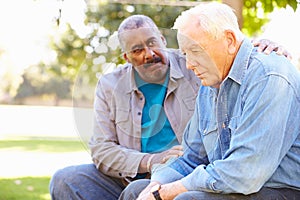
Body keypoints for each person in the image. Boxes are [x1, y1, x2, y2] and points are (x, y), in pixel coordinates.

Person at [49, 14, 292, 200]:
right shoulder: (110, 85)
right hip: (135, 172)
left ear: (163, 41)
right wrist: (152, 161)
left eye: (153, 43)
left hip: (186, 173)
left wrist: (259, 47)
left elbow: (225, 54)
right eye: (137, 50)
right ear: (126, 57)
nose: (149, 53)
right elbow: (101, 150)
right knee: (65, 179)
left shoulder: (195, 68)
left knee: (140, 191)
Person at [120, 3, 300, 200]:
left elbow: (247, 172)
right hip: (231, 185)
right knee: (136, 190)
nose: (189, 65)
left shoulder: (269, 75)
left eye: (195, 51)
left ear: (229, 40)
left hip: (277, 190)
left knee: (185, 199)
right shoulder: (209, 85)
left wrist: (169, 191)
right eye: (185, 54)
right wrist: (156, 186)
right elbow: (191, 158)